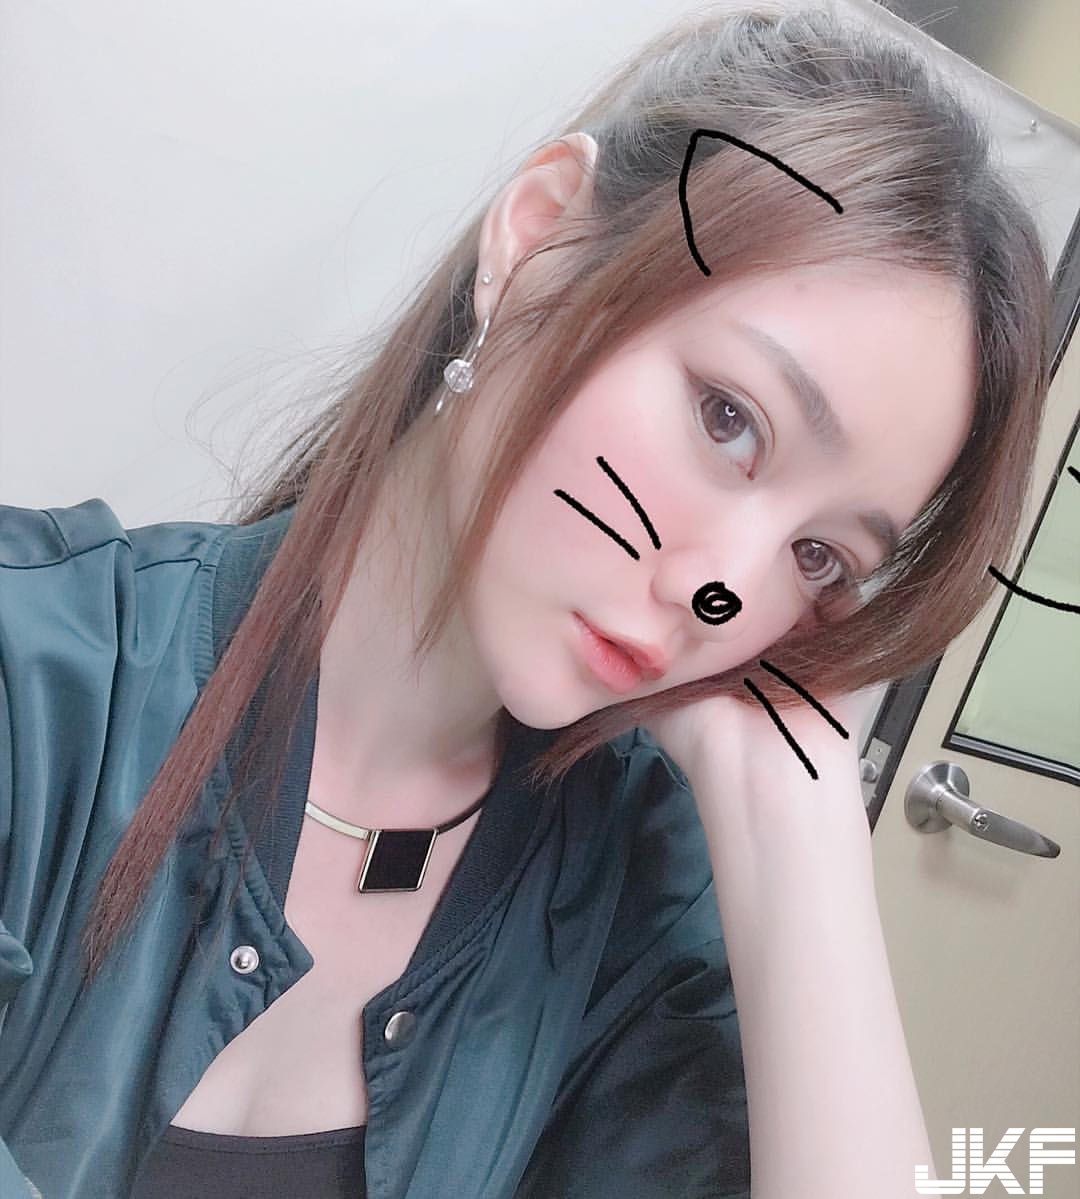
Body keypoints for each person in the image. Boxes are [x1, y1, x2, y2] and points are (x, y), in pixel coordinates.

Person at [0, 4, 1051, 1198]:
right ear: (541, 234)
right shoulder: (41, 681)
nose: (723, 592)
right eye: (729, 417)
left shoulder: (630, 901)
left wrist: (792, 822)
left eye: (819, 558)